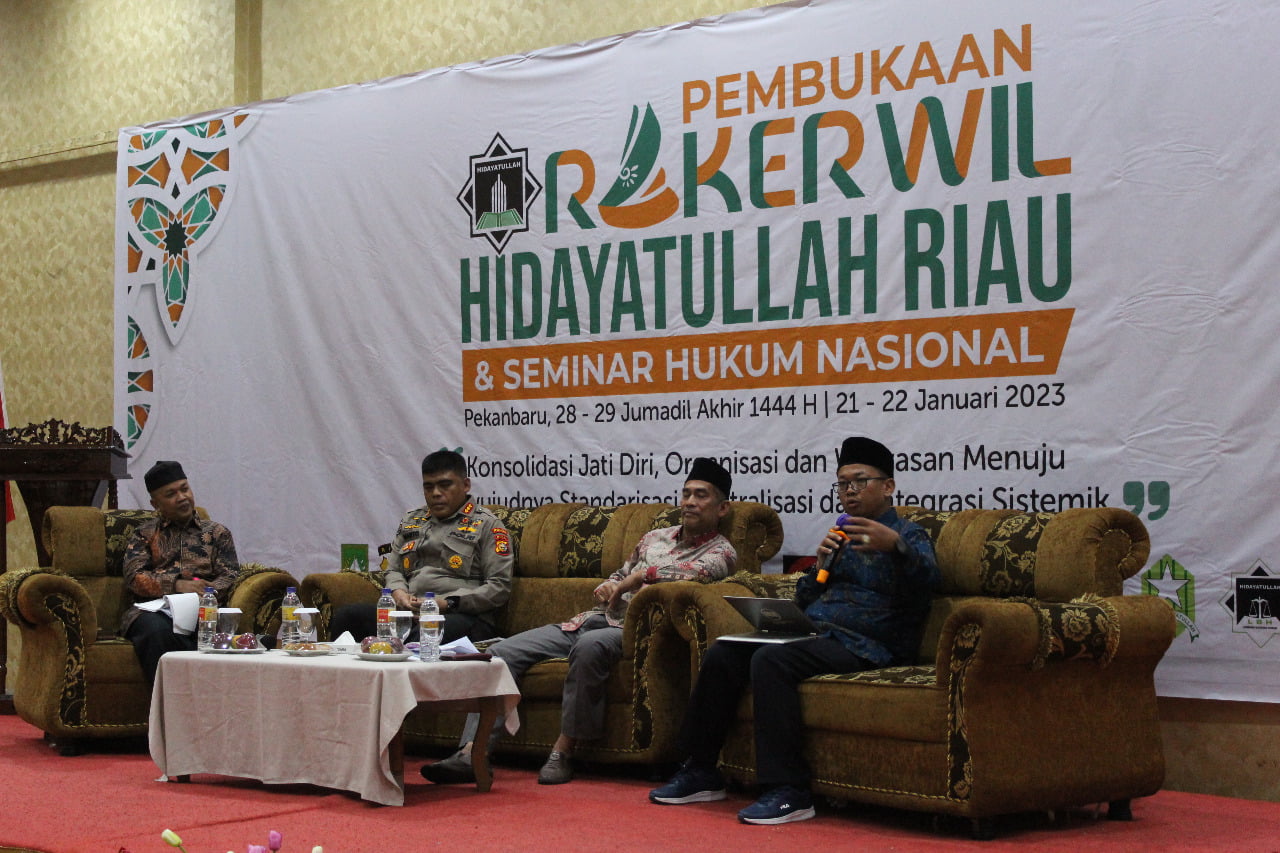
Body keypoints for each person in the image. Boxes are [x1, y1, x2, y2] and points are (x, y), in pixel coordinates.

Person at [649, 436, 939, 825]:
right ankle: (701, 769)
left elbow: (926, 586)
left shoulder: (908, 535)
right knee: (724, 652)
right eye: (842, 484)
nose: (850, 491)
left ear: (888, 486)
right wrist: (820, 565)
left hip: (869, 644)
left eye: (860, 481)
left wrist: (896, 547)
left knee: (772, 660)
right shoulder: (841, 537)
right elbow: (806, 595)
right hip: (818, 632)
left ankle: (789, 790)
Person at [421, 457, 738, 787]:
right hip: (594, 618)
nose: (689, 502)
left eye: (701, 495)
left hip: (636, 632)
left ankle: (564, 751)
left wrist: (639, 578)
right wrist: (610, 585)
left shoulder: (722, 552)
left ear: (722, 508)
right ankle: (471, 754)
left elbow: (697, 573)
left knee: (589, 647)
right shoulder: (655, 537)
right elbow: (621, 573)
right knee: (502, 654)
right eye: (686, 493)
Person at [328, 449, 512, 644]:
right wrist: (399, 593)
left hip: (462, 616)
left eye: (445, 485)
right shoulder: (412, 520)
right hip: (410, 612)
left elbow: (499, 585)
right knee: (348, 617)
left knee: (424, 633)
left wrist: (447, 603)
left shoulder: (487, 525)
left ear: (465, 485)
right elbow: (393, 569)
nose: (436, 493)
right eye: (428, 487)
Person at [122, 460, 240, 687]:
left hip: (204, 608)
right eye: (171, 494)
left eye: (184, 489)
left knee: (216, 628)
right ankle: (171, 702)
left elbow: (230, 575)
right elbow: (135, 577)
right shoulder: (144, 534)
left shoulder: (217, 533)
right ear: (155, 503)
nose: (182, 497)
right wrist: (176, 585)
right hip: (155, 612)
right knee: (156, 632)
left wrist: (205, 594)